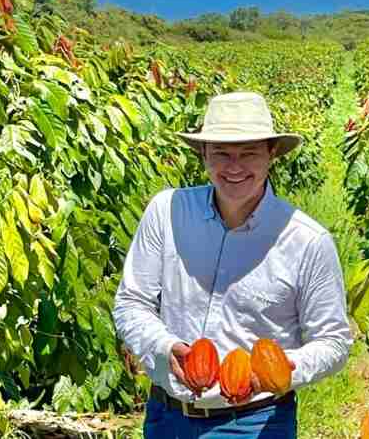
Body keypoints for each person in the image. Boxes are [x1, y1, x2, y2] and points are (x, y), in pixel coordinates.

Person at [113, 91, 353, 438]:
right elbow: (131, 302)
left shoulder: (307, 242)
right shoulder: (167, 212)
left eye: (249, 153)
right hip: (167, 417)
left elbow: (333, 341)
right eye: (222, 153)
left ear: (271, 154)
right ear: (203, 154)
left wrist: (280, 371)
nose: (234, 167)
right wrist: (163, 346)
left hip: (252, 422)